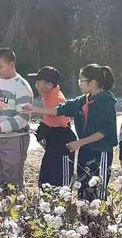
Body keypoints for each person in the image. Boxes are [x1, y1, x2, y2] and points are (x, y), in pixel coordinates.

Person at [24, 64, 117, 200]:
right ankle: (85, 220)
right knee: (83, 189)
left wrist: (80, 142)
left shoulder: (105, 101)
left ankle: (97, 220)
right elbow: (61, 109)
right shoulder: (83, 100)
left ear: (93, 83)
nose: (79, 83)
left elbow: (104, 132)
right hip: (85, 150)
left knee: (96, 191)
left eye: (81, 80)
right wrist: (34, 109)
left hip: (100, 152)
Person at [0, 48, 33, 190]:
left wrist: (0, 127)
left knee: (12, 182)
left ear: (11, 65)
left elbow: (23, 117)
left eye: (0, 67)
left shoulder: (21, 86)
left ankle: (14, 209)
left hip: (14, 139)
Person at [30, 67, 76, 187]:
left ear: (49, 85)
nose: (36, 85)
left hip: (62, 142)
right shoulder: (49, 96)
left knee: (61, 180)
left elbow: (63, 123)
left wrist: (49, 130)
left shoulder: (57, 99)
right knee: (47, 176)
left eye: (38, 82)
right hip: (53, 143)